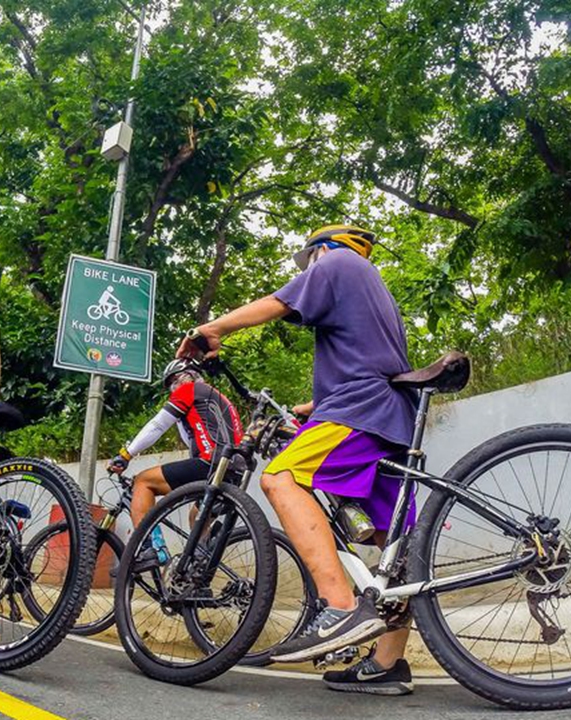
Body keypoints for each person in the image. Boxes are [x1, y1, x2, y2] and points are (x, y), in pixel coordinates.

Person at [177, 224, 418, 695]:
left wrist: (212, 329)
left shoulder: (336, 262)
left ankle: (340, 608)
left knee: (282, 478)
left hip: (361, 409)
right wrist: (316, 406)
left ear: (319, 250)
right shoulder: (373, 287)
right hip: (388, 412)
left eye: (306, 262)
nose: (306, 272)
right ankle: (388, 663)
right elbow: (367, 357)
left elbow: (277, 303)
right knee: (395, 548)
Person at [106, 358, 243, 567]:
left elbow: (157, 426)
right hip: (234, 472)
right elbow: (195, 438)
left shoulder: (189, 390)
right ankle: (199, 573)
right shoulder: (220, 398)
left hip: (210, 463)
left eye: (174, 381)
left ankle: (149, 548)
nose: (173, 388)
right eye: (171, 384)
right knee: (197, 518)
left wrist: (126, 455)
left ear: (188, 375)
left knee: (143, 482)